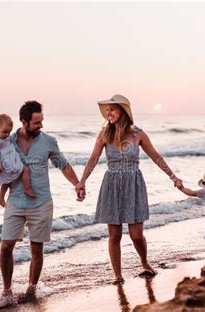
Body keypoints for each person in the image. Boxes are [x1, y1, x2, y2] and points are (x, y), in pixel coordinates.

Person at [75, 94, 181, 284]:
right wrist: (82, 181)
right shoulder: (104, 134)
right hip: (112, 184)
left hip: (134, 184)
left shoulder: (138, 134)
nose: (109, 113)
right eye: (107, 110)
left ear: (123, 111)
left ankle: (144, 261)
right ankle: (117, 274)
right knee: (114, 235)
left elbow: (156, 157)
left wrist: (173, 177)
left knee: (136, 235)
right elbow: (93, 159)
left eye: (113, 109)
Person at [0, 101, 84, 308]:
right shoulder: (9, 141)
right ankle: (7, 292)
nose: (41, 126)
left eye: (41, 121)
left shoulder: (49, 142)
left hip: (41, 202)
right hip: (15, 201)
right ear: (24, 122)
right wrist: (1, 192)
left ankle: (31, 288)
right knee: (6, 246)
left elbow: (63, 165)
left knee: (36, 248)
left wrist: (77, 184)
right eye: (36, 123)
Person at [0, 114, 35, 208]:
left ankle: (1, 196)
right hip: (3, 163)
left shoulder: (5, 137)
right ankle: (27, 188)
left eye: (9, 132)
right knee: (23, 170)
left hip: (9, 160)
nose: (7, 135)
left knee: (9, 179)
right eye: (4, 132)